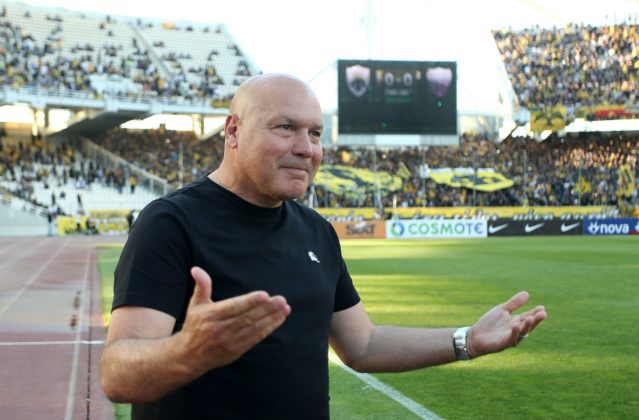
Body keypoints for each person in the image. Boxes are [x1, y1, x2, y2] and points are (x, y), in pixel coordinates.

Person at [101, 74, 547, 419]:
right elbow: (117, 375)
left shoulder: (316, 231)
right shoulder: (171, 223)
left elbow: (363, 345)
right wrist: (189, 350)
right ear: (233, 131)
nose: (306, 149)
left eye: (315, 134)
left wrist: (466, 340)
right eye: (286, 128)